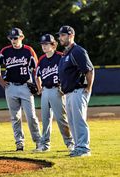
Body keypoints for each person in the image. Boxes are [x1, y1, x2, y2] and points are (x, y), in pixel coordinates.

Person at [0, 27, 42, 151]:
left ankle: (38, 141)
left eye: (15, 38)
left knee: (31, 116)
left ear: (22, 37)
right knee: (15, 117)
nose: (13, 40)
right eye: (11, 38)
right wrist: (0, 80)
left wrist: (38, 85)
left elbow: (36, 69)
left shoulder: (28, 50)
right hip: (10, 86)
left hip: (25, 86)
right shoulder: (5, 51)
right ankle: (19, 143)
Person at [57, 25, 95, 157]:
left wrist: (88, 88)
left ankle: (84, 149)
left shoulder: (78, 51)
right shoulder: (65, 54)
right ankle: (78, 147)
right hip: (68, 93)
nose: (60, 38)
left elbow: (89, 70)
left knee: (79, 121)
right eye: (60, 35)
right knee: (72, 122)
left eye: (63, 35)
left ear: (71, 35)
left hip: (78, 91)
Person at [35, 34, 74, 152]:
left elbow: (68, 73)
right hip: (45, 91)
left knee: (61, 119)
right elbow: (37, 75)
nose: (44, 46)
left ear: (53, 45)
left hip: (57, 90)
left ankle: (70, 143)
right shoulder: (41, 59)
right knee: (45, 120)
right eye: (42, 44)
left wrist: (64, 86)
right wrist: (40, 88)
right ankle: (45, 145)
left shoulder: (60, 57)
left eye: (46, 44)